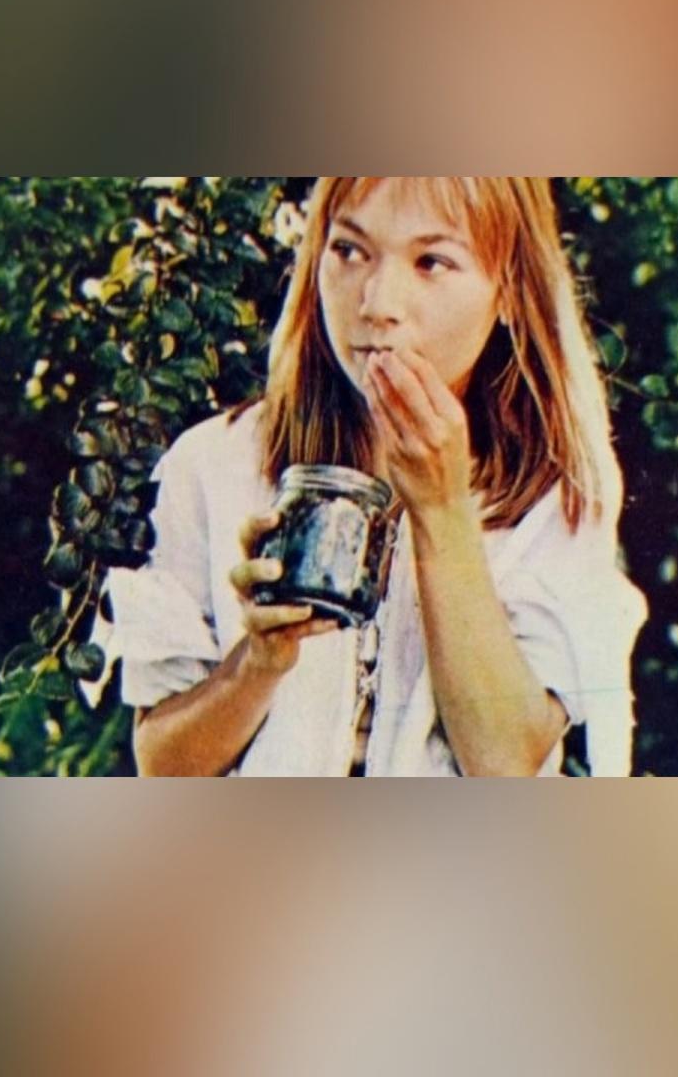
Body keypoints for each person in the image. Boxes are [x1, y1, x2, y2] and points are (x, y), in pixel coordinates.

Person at [86, 177, 648, 776]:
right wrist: (257, 663)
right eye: (350, 251)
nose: (377, 303)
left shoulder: (556, 493)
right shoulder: (214, 464)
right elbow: (163, 765)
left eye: (431, 262)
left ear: (509, 288)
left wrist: (442, 510)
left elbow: (505, 764)